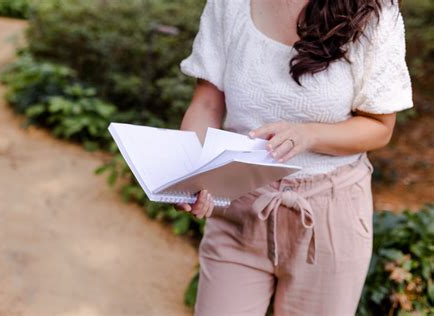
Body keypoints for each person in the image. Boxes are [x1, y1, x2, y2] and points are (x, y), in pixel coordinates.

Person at [174, 0, 413, 314]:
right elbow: (207, 103)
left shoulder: (375, 13)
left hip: (328, 220)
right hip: (238, 205)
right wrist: (190, 173)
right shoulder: (229, 4)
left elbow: (380, 126)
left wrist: (310, 134)